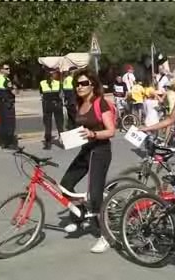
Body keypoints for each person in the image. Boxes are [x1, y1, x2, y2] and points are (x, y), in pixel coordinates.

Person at [60, 69, 115, 253]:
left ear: (92, 85)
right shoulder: (78, 104)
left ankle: (105, 236)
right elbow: (79, 129)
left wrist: (93, 134)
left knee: (95, 195)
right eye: (77, 84)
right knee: (65, 184)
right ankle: (79, 214)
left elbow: (111, 131)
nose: (80, 87)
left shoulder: (101, 103)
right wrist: (68, 138)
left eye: (84, 83)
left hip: (100, 151)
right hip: (86, 150)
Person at [39, 69, 64, 150]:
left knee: (47, 124)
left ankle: (48, 144)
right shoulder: (58, 83)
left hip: (47, 104)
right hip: (57, 104)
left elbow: (41, 94)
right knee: (60, 124)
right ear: (53, 75)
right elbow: (60, 95)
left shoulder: (42, 83)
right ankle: (62, 142)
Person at [0, 64, 17, 149]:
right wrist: (14, 87)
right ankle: (9, 143)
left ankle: (1, 142)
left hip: (0, 104)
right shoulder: (6, 80)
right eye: (6, 68)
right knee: (10, 123)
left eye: (9, 68)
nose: (9, 70)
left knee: (1, 123)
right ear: (1, 70)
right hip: (7, 105)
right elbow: (14, 92)